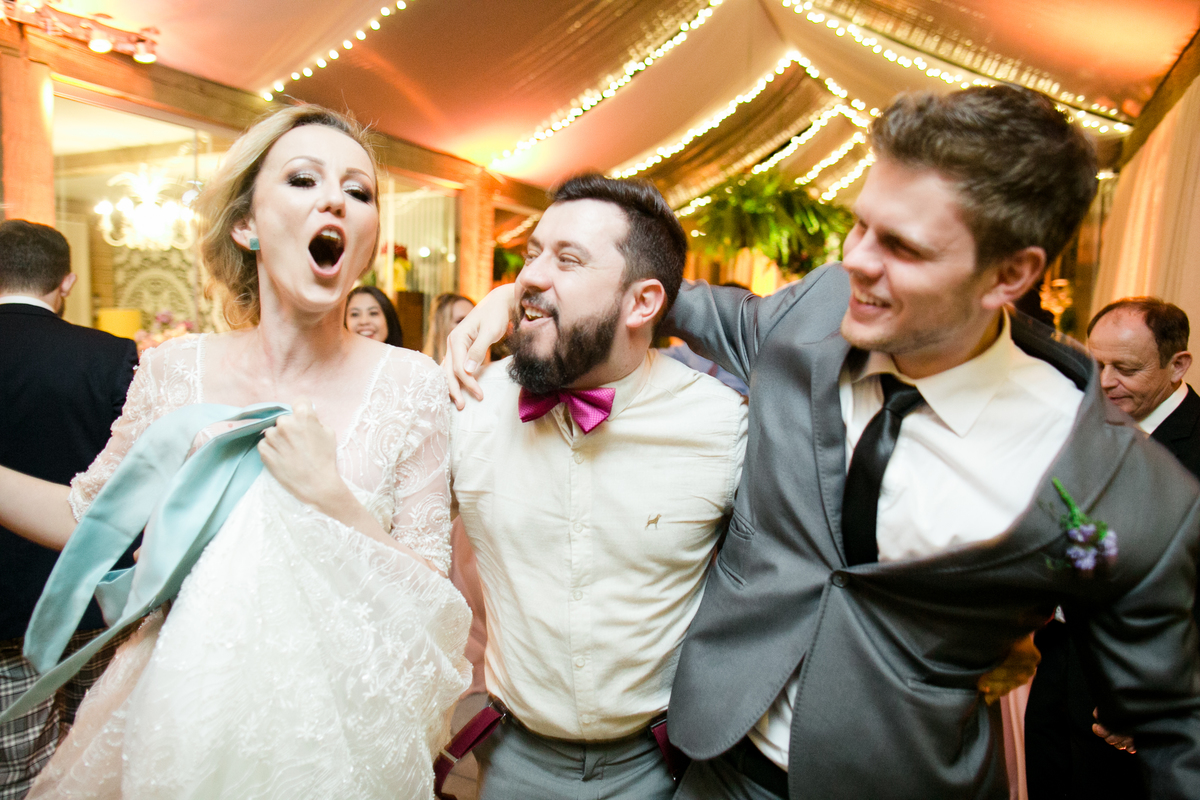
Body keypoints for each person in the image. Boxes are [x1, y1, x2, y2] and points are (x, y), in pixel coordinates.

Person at [448, 86, 1200, 799]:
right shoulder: (814, 314)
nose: (857, 261)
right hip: (712, 766)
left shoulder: (1109, 485)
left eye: (902, 246)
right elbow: (648, 291)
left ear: (1011, 274)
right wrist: (518, 297)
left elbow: (1176, 724)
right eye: (862, 225)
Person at [0, 105, 469, 799]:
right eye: (303, 180)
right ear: (246, 225)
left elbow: (433, 598)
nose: (336, 200)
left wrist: (330, 497)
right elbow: (88, 516)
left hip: (332, 740)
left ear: (368, 238)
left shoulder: (413, 386)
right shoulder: (173, 370)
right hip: (175, 715)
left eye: (359, 191)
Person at [446, 174, 748, 799]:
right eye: (532, 254)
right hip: (513, 759)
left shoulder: (721, 425)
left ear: (643, 304)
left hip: (666, 765)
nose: (530, 276)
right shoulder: (468, 403)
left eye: (568, 259)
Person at [1025, 297, 1200, 800]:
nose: (1103, 382)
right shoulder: (1080, 424)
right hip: (1057, 662)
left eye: (1125, 368)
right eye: (1095, 364)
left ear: (1177, 365)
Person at [0, 220, 138, 800]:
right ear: (67, 282)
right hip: (91, 591)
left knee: (14, 771)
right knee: (96, 758)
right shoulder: (110, 355)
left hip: (4, 606)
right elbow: (134, 475)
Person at [425, 293, 475, 364]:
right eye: (460, 321)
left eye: (474, 321)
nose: (472, 327)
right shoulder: (422, 368)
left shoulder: (489, 368)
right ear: (440, 328)